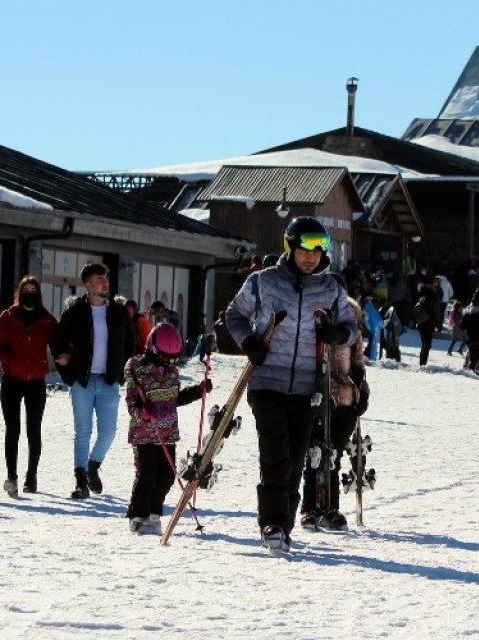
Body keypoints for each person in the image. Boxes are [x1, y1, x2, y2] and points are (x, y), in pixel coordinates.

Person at [225, 216, 356, 552]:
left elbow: (349, 326)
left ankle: (284, 523)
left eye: (319, 248)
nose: (311, 255)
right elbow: (234, 315)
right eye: (305, 247)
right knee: (275, 456)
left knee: (296, 460)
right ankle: (272, 524)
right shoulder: (263, 282)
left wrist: (339, 334)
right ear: (290, 246)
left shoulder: (331, 288)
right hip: (267, 381)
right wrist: (248, 343)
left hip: (308, 388)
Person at [53, 263, 135, 500]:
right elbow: (58, 343)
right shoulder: (74, 313)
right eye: (100, 279)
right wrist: (69, 373)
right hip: (83, 382)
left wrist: (123, 373)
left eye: (106, 278)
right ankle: (80, 481)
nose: (105, 283)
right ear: (87, 285)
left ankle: (93, 466)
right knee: (83, 432)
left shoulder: (119, 312)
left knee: (108, 432)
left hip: (109, 382)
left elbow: (131, 343)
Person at [123, 322, 212, 534]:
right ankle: (138, 515)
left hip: (167, 432)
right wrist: (142, 412)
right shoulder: (138, 371)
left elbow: (175, 399)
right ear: (153, 350)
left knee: (167, 476)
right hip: (144, 432)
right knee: (147, 475)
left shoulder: (172, 373)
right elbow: (132, 403)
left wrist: (197, 391)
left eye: (174, 359)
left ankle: (154, 512)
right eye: (166, 358)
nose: (171, 363)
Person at [300, 297, 370, 531]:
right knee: (315, 453)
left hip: (346, 401)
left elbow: (359, 366)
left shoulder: (352, 334)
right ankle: (310, 507)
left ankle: (330, 508)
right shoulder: (314, 326)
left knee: (333, 456)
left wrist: (363, 393)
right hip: (317, 397)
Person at [0, 276, 57, 496]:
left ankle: (32, 475)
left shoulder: (46, 319)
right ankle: (12, 476)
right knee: (13, 429)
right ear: (20, 292)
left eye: (33, 289)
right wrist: (6, 358)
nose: (29, 293)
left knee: (33, 430)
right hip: (12, 379)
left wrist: (65, 355)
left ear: (38, 293)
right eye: (25, 289)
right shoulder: (8, 316)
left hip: (36, 381)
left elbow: (58, 342)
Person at [413, 275, 442, 366]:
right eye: (435, 281)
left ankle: (423, 363)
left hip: (424, 320)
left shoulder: (425, 291)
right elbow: (431, 307)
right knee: (426, 344)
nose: (437, 282)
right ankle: (423, 364)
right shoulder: (429, 293)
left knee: (426, 344)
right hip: (427, 320)